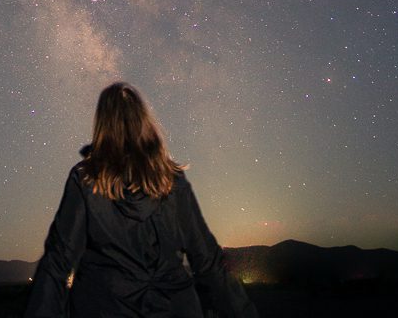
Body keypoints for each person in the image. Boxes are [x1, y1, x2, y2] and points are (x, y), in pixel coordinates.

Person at [25, 81, 258, 317]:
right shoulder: (172, 180)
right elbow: (207, 261)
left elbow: (58, 261)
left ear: (102, 124)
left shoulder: (85, 179)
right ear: (143, 121)